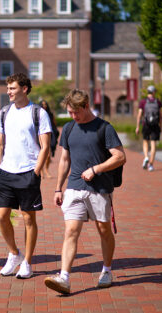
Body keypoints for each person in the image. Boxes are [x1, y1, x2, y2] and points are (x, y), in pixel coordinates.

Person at [44, 89, 126, 294]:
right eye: (70, 113)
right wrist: (58, 188)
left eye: (76, 112)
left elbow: (120, 157)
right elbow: (64, 160)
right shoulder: (70, 128)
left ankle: (107, 270)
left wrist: (96, 169)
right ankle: (64, 277)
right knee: (71, 231)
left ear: (86, 106)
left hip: (99, 189)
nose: (73, 116)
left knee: (104, 230)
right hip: (74, 187)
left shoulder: (104, 128)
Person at [0, 73, 52, 279]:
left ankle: (27, 262)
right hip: (5, 173)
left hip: (28, 172)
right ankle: (13, 254)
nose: (8, 92)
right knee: (1, 216)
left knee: (28, 218)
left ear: (24, 89)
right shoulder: (4, 112)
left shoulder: (38, 113)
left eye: (12, 88)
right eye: (8, 88)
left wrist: (36, 171)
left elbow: (45, 147)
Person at [135, 85, 162, 172]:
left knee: (145, 142)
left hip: (146, 124)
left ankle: (146, 157)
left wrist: (137, 126)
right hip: (155, 125)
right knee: (153, 144)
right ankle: (151, 165)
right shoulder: (158, 102)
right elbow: (160, 115)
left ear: (148, 92)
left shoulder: (143, 102)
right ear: (154, 92)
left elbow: (140, 114)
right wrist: (160, 125)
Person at [39, 100, 59, 178]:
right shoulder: (37, 114)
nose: (44, 106)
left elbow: (54, 124)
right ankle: (41, 171)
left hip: (49, 135)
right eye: (43, 104)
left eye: (45, 104)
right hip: (39, 135)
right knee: (39, 153)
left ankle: (46, 170)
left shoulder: (50, 114)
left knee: (48, 155)